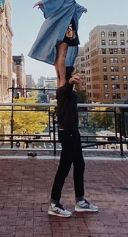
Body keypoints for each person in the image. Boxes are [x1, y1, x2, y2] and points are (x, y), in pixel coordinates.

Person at [48, 68, 98, 218]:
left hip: (73, 131)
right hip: (67, 132)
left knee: (80, 165)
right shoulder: (62, 91)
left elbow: (78, 93)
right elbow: (67, 87)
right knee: (64, 168)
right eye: (73, 74)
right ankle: (54, 204)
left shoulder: (71, 93)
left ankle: (80, 202)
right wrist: (70, 82)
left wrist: (79, 83)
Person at [30, 0, 87, 88]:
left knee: (59, 55)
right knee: (62, 54)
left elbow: (71, 6)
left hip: (66, 28)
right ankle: (62, 80)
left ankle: (60, 79)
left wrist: (82, 8)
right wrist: (43, 2)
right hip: (67, 29)